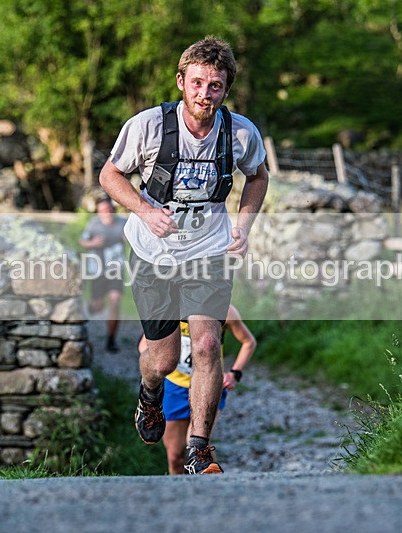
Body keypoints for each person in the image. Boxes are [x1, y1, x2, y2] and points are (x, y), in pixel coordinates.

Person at [99, 35, 269, 474]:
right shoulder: (148, 126)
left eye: (215, 86)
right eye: (197, 83)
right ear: (180, 81)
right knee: (164, 360)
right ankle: (149, 394)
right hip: (152, 252)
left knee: (208, 343)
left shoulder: (240, 132)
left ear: (226, 88)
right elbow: (110, 175)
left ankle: (199, 449)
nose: (204, 94)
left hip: (209, 250)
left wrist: (243, 226)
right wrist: (144, 211)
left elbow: (258, 177)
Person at [138, 305, 256, 475]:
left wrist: (234, 373)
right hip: (174, 387)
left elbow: (248, 342)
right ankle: (178, 489)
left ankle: (209, 483)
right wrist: (160, 364)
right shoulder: (170, 305)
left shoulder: (225, 311)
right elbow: (144, 346)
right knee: (175, 456)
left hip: (208, 387)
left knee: (196, 445)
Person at [79, 196, 127, 352]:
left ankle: (111, 339)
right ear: (98, 213)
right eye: (102, 210)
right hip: (98, 270)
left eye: (108, 209)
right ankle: (92, 307)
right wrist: (92, 243)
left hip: (115, 269)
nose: (106, 213)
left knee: (115, 300)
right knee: (98, 306)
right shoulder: (93, 225)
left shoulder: (122, 223)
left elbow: (132, 238)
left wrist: (127, 238)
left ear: (113, 209)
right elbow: (82, 241)